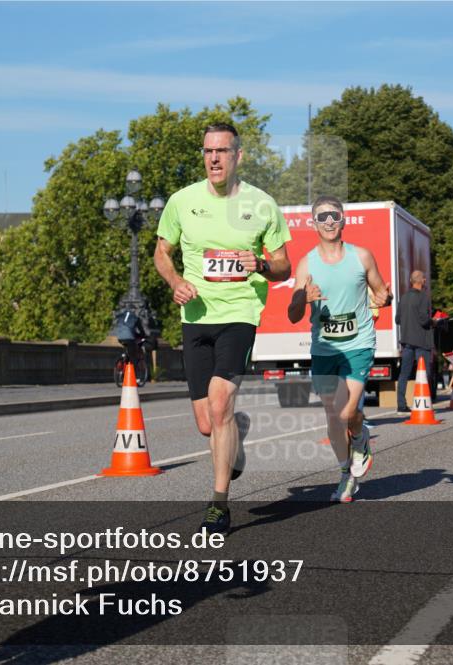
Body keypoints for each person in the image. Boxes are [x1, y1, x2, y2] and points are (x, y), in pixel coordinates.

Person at [154, 122, 291, 533]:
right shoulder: (182, 201)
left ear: (238, 156)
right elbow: (162, 252)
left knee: (220, 403)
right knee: (206, 423)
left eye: (222, 151)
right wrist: (176, 282)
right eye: (207, 151)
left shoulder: (262, 204)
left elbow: (284, 264)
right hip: (196, 317)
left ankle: (218, 504)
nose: (214, 158)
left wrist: (262, 265)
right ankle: (236, 437)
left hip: (240, 313)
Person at [288, 196, 390, 502]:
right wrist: (302, 299)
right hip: (324, 349)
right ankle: (346, 473)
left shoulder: (362, 256)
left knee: (347, 411)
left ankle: (360, 437)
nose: (329, 222)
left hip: (358, 344)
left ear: (343, 220)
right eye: (323, 217)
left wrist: (386, 298)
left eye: (334, 216)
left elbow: (382, 292)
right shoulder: (307, 263)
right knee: (333, 416)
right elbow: (292, 315)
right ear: (314, 223)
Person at [395, 270, 435, 413]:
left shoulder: (404, 298)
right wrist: (434, 321)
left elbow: (397, 319)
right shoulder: (423, 298)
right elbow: (424, 320)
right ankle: (425, 402)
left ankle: (401, 404)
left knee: (404, 374)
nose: (425, 281)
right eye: (424, 279)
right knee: (425, 373)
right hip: (421, 342)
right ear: (421, 281)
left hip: (406, 342)